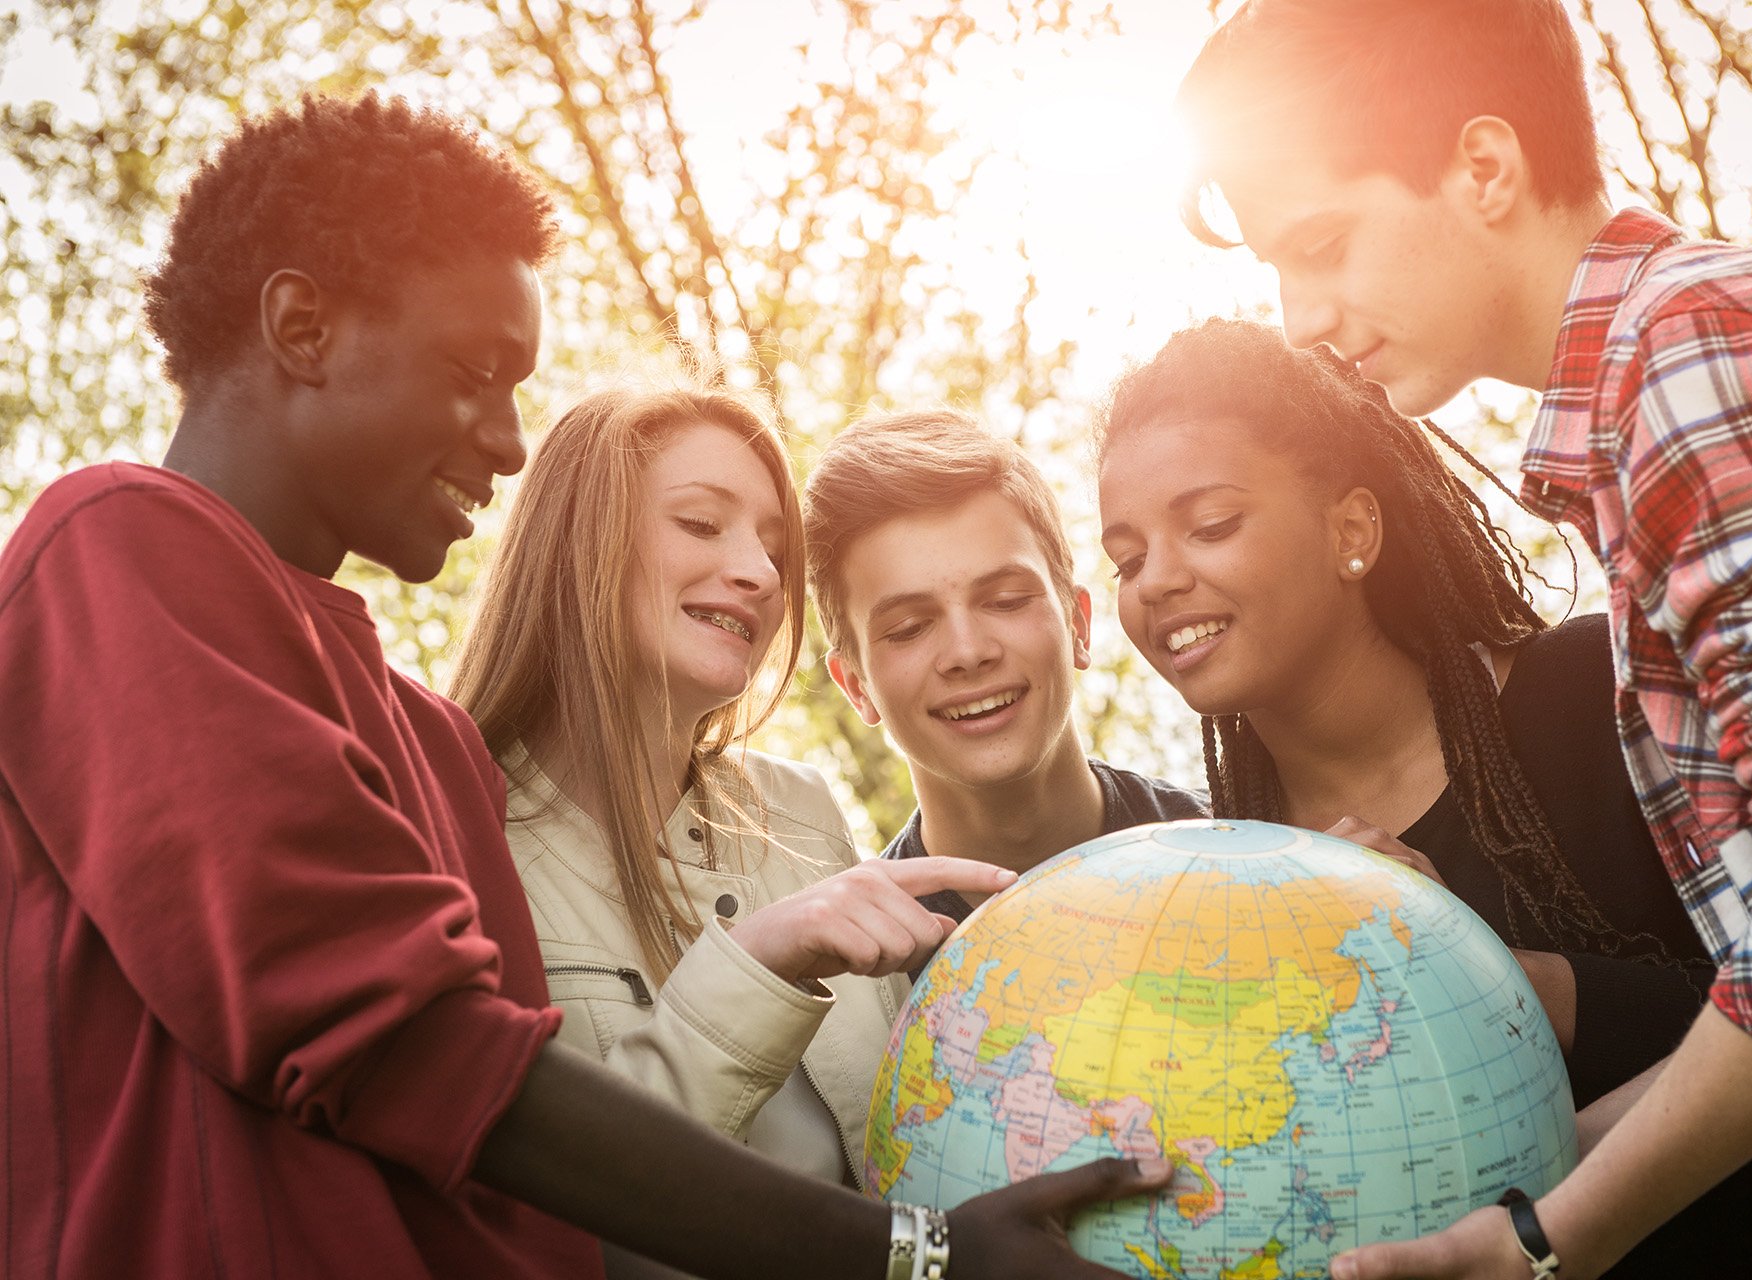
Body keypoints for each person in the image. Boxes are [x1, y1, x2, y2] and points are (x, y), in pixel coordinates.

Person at [0, 91, 1168, 1279]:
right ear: (304, 327)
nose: (509, 442)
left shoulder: (429, 741)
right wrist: (919, 1259)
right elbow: (420, 1054)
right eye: (476, 371)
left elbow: (511, 1204)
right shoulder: (119, 545)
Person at [1174, 2, 1752, 1277]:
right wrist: (1503, 1188)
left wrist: (1540, 1241)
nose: (1300, 316)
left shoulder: (1697, 368)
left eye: (1325, 244)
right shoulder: (1664, 383)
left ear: (1483, 166)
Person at [1094, 315, 1752, 1279]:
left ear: (1352, 530)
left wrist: (1463, 965)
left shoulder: (1603, 696)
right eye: (1128, 557)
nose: (1160, 581)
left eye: (1210, 525)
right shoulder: (1217, 872)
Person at [446, 379, 1011, 1225]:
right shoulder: (456, 836)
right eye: (702, 524)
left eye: (774, 547)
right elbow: (533, 1217)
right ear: (578, 543)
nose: (757, 572)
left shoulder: (800, 808)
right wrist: (760, 960)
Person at [801, 408, 1207, 973]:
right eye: (909, 628)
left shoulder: (1244, 864)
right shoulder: (845, 992)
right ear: (857, 687)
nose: (968, 652)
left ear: (1077, 626)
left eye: (1007, 601)